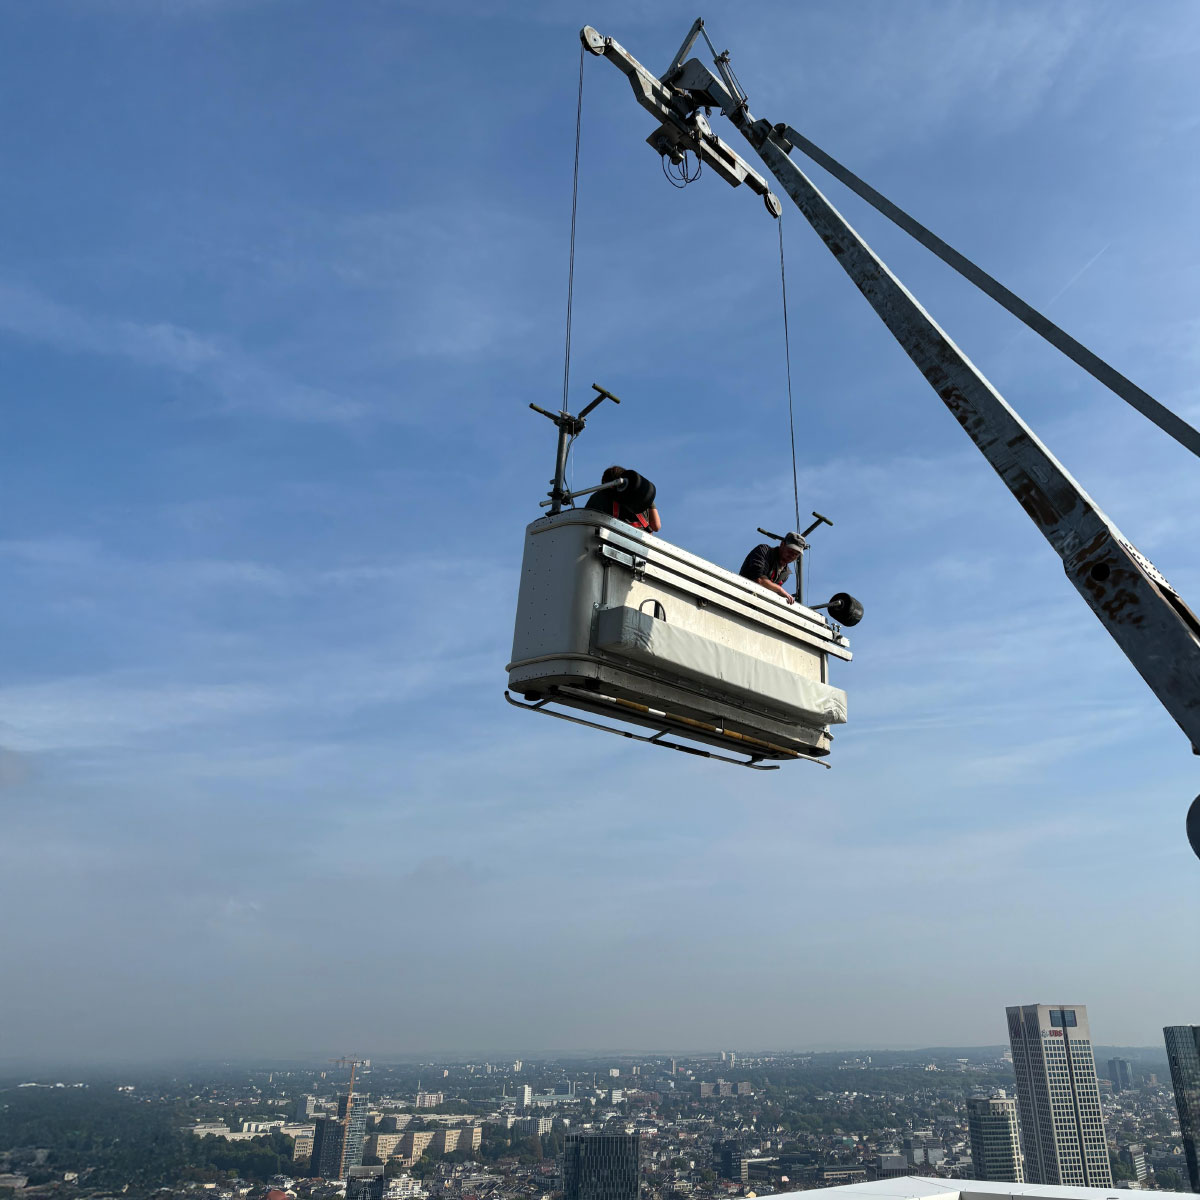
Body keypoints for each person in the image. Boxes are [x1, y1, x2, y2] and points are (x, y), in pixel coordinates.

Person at [584, 465, 661, 533]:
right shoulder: (642, 495)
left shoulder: (600, 496)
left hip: (615, 544)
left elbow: (587, 526)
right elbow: (656, 526)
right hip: (643, 544)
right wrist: (649, 499)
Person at [739, 532, 805, 604]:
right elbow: (759, 580)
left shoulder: (785, 572)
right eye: (790, 551)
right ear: (782, 544)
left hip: (759, 604)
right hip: (743, 597)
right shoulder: (764, 551)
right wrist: (780, 590)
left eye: (796, 554)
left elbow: (772, 591)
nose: (792, 555)